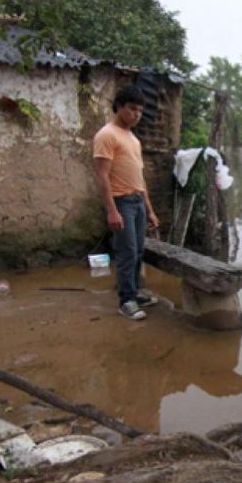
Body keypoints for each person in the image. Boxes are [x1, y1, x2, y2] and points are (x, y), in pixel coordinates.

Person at [93, 86, 160, 320]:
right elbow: (101, 176)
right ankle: (126, 301)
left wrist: (150, 210)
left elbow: (140, 179)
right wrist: (111, 210)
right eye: (132, 109)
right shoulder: (106, 135)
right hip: (121, 202)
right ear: (119, 107)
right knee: (127, 252)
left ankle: (134, 292)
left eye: (140, 110)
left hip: (137, 201)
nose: (136, 114)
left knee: (138, 251)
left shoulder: (133, 139)